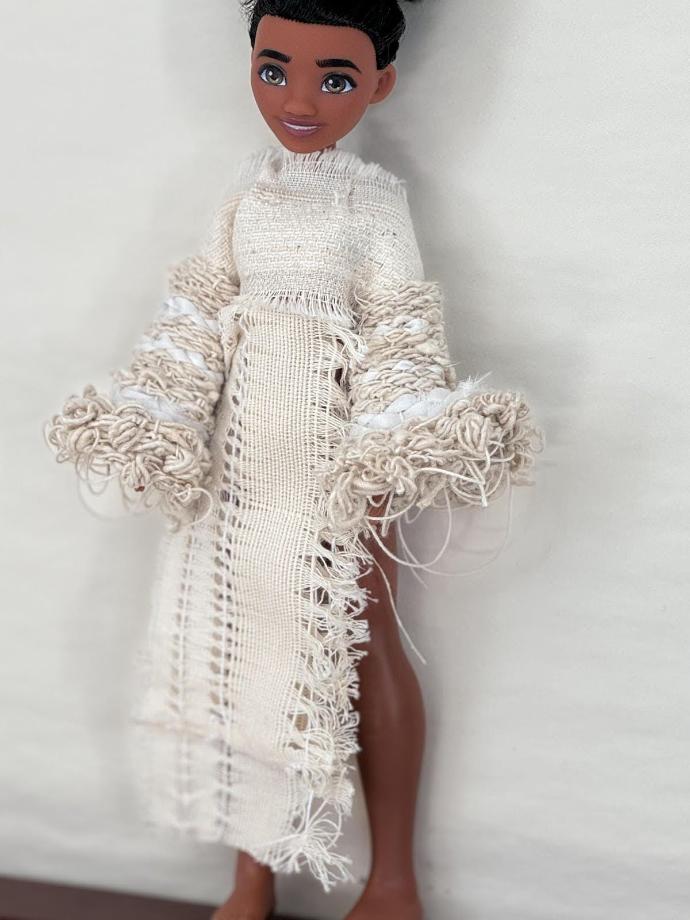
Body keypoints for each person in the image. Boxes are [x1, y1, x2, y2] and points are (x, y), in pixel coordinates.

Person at [45, 2, 542, 918]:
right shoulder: (246, 189)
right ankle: (252, 874)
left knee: (361, 641)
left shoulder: (372, 202)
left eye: (335, 77)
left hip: (337, 462)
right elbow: (200, 307)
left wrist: (394, 441)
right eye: (274, 70)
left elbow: (399, 324)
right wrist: (160, 412)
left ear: (379, 85)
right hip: (238, 467)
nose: (300, 100)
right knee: (243, 651)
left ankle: (392, 881)